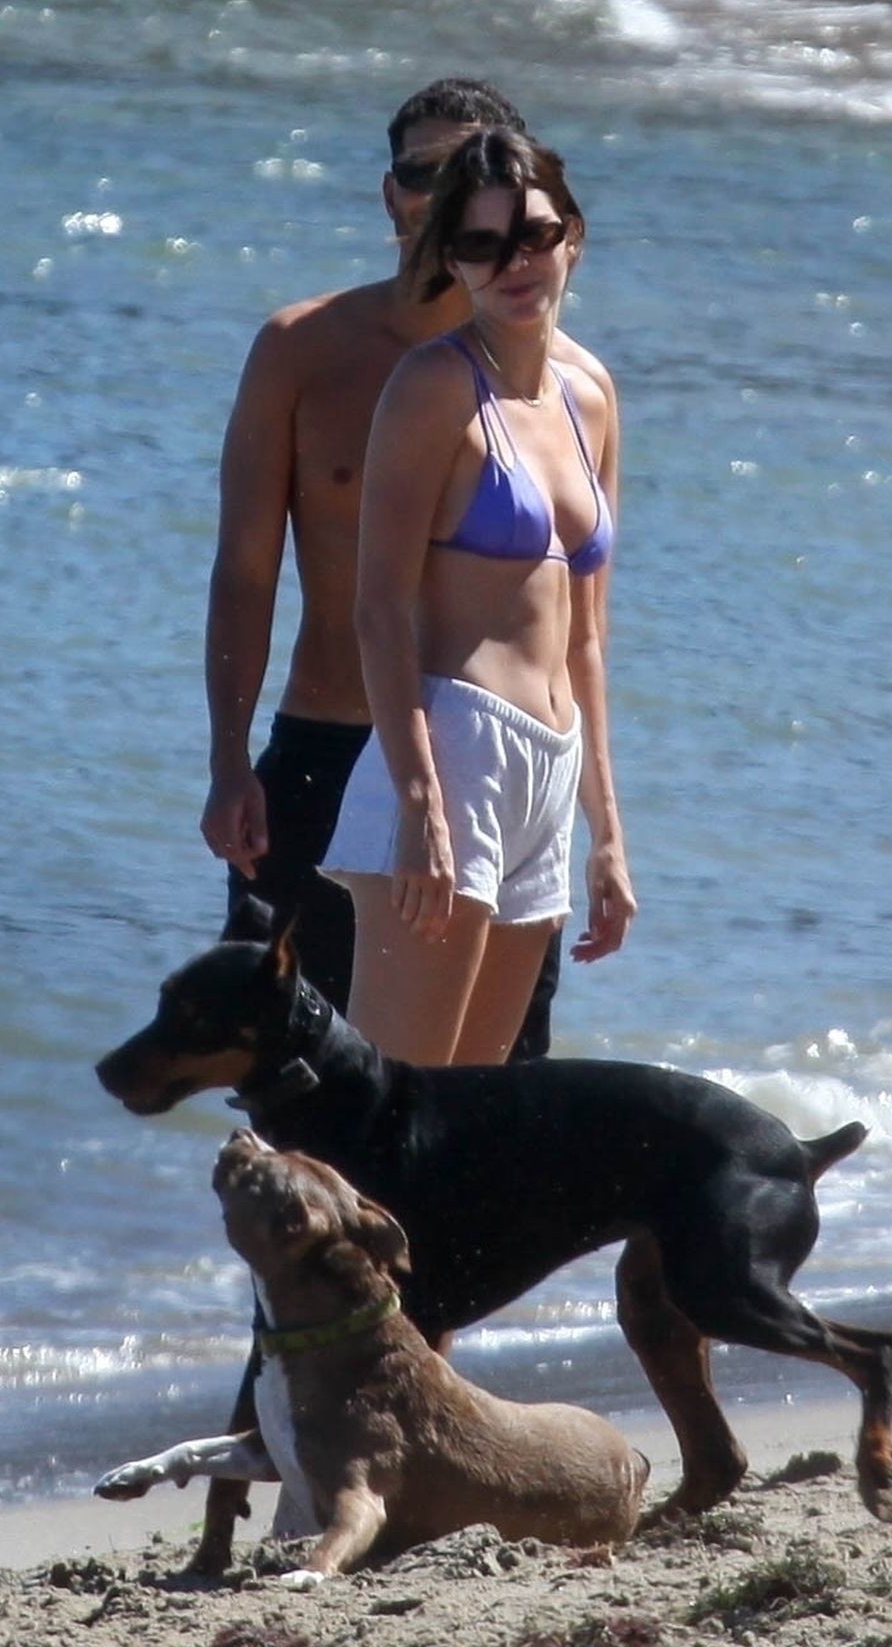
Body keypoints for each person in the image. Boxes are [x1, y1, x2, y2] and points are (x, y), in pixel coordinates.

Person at [201, 80, 597, 1058]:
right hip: (326, 753)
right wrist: (227, 759)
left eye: (469, 169)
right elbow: (245, 571)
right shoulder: (303, 349)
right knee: (286, 1082)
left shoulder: (562, 385)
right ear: (392, 196)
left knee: (483, 1095)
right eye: (424, 173)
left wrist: (597, 820)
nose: (445, 191)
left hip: (491, 766)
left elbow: (576, 625)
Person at [321, 128, 636, 1066]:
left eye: (533, 235)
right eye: (482, 245)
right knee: (393, 1112)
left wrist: (607, 830)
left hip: (549, 764)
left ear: (572, 235)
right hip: (455, 751)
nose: (514, 265)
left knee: (473, 1122)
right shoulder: (432, 388)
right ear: (451, 260)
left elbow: (587, 638)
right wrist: (419, 801)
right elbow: (378, 607)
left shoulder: (590, 392)